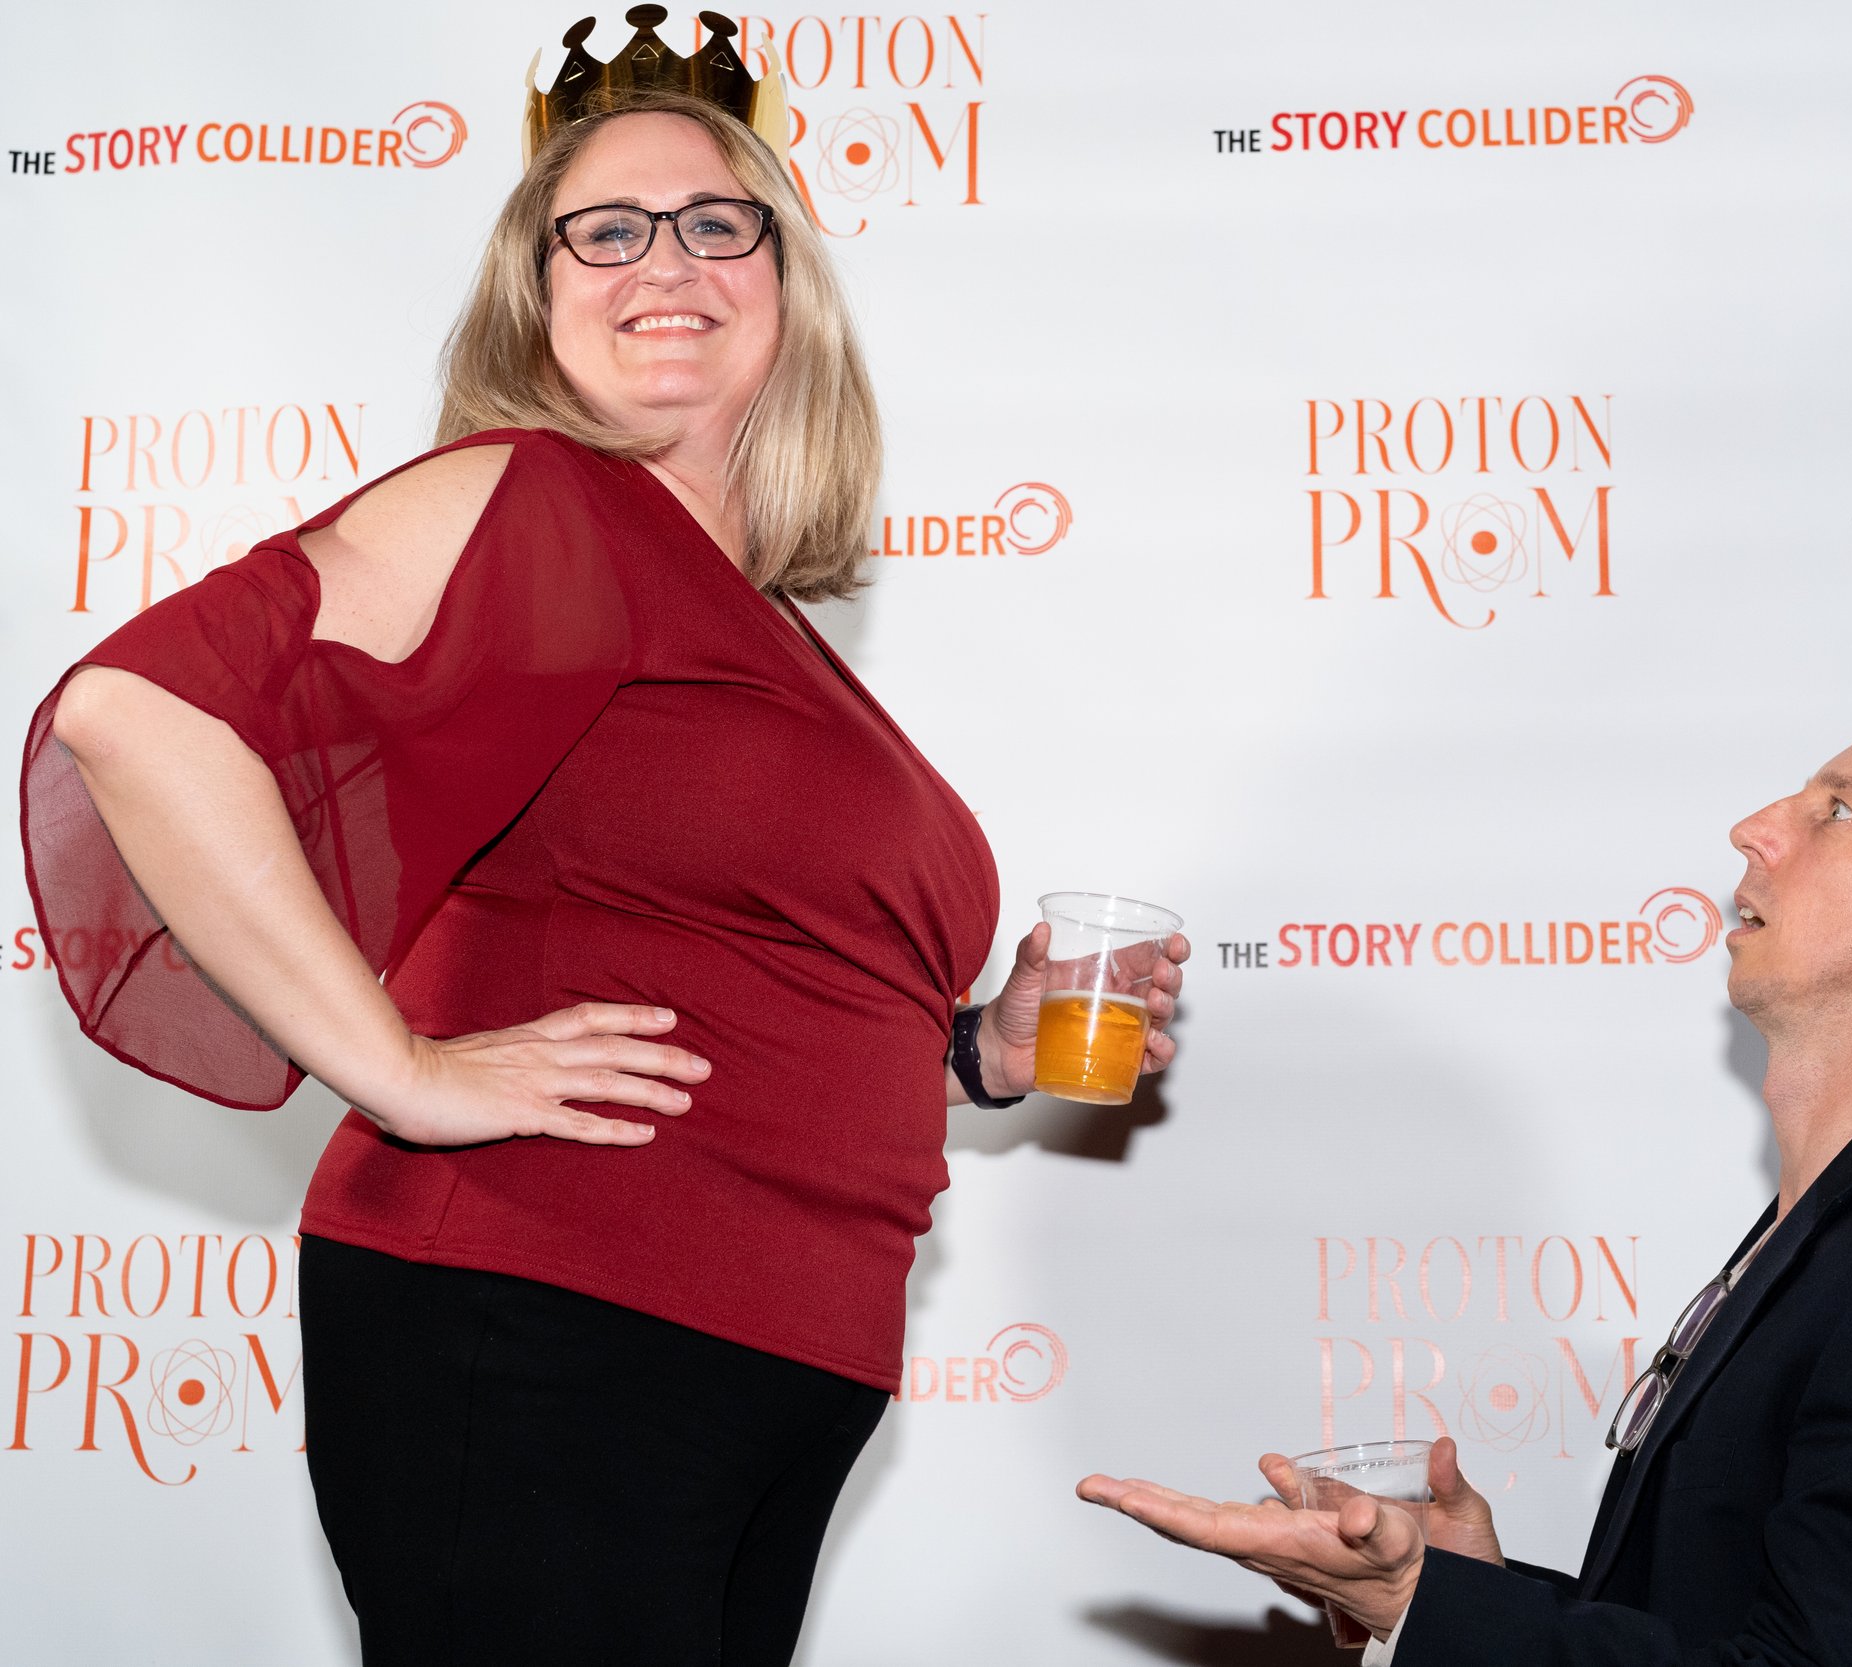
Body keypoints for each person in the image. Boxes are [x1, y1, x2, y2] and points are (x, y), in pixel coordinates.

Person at [20, 19, 1186, 1665]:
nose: (669, 263)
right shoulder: (538, 501)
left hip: (766, 1361)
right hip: (554, 1317)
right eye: (607, 229)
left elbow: (741, 980)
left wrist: (983, 1049)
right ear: (535, 291)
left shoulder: (756, 624)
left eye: (720, 224)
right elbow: (134, 716)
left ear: (788, 290)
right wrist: (406, 1068)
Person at [1079, 696, 1852, 1666]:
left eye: (1836, 811)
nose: (1755, 827)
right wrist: (1467, 1592)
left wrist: (1425, 1604)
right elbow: (1727, 1624)